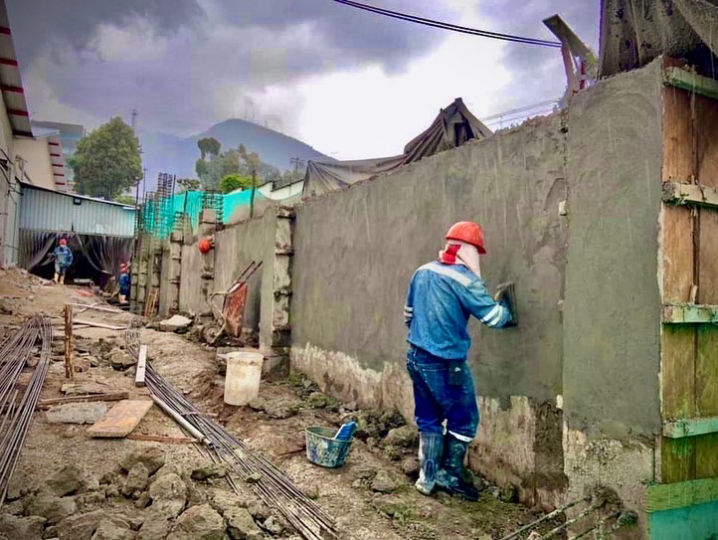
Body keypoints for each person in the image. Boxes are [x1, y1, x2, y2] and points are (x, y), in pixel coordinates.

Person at [404, 221, 516, 501]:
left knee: (429, 419)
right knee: (464, 421)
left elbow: (408, 315)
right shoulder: (466, 280)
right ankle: (451, 474)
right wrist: (506, 306)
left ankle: (426, 479)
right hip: (445, 364)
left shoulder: (422, 271)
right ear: (473, 251)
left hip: (415, 356)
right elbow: (495, 319)